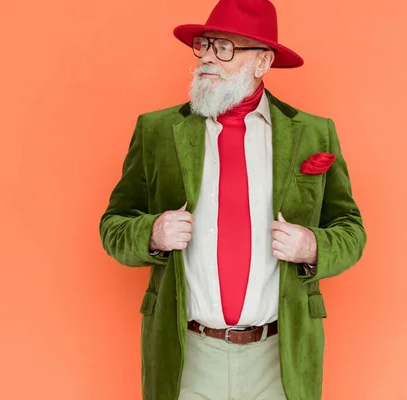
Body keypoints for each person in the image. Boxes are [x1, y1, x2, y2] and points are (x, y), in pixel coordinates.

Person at [98, 0, 367, 399]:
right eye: (205, 45)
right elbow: (113, 225)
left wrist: (312, 245)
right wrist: (152, 233)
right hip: (188, 353)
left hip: (281, 355)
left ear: (262, 62)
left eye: (224, 48)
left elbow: (351, 231)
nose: (207, 57)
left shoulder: (313, 134)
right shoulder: (156, 131)